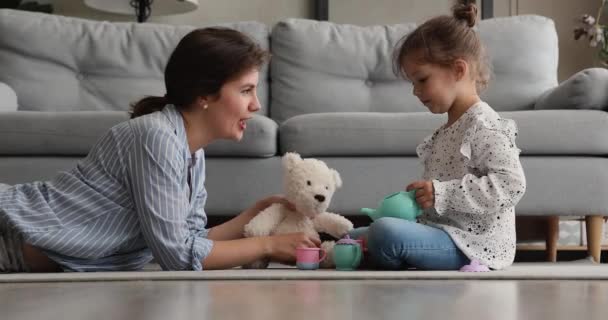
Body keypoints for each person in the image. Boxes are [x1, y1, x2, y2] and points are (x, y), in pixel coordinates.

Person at [0, 28, 320, 273]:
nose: (256, 104)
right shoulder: (156, 136)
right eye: (246, 90)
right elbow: (178, 257)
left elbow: (191, 238)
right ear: (204, 94)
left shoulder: (192, 150)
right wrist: (266, 245)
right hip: (12, 232)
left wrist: (254, 215)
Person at [350, 1, 526, 270]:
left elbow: (511, 185)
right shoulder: (444, 132)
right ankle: (353, 249)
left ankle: (371, 253)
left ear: (458, 70)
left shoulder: (485, 125)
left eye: (422, 80)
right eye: (412, 83)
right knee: (353, 236)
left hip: (472, 245)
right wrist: (420, 201)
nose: (415, 92)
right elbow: (440, 202)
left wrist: (441, 194)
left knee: (384, 233)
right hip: (443, 233)